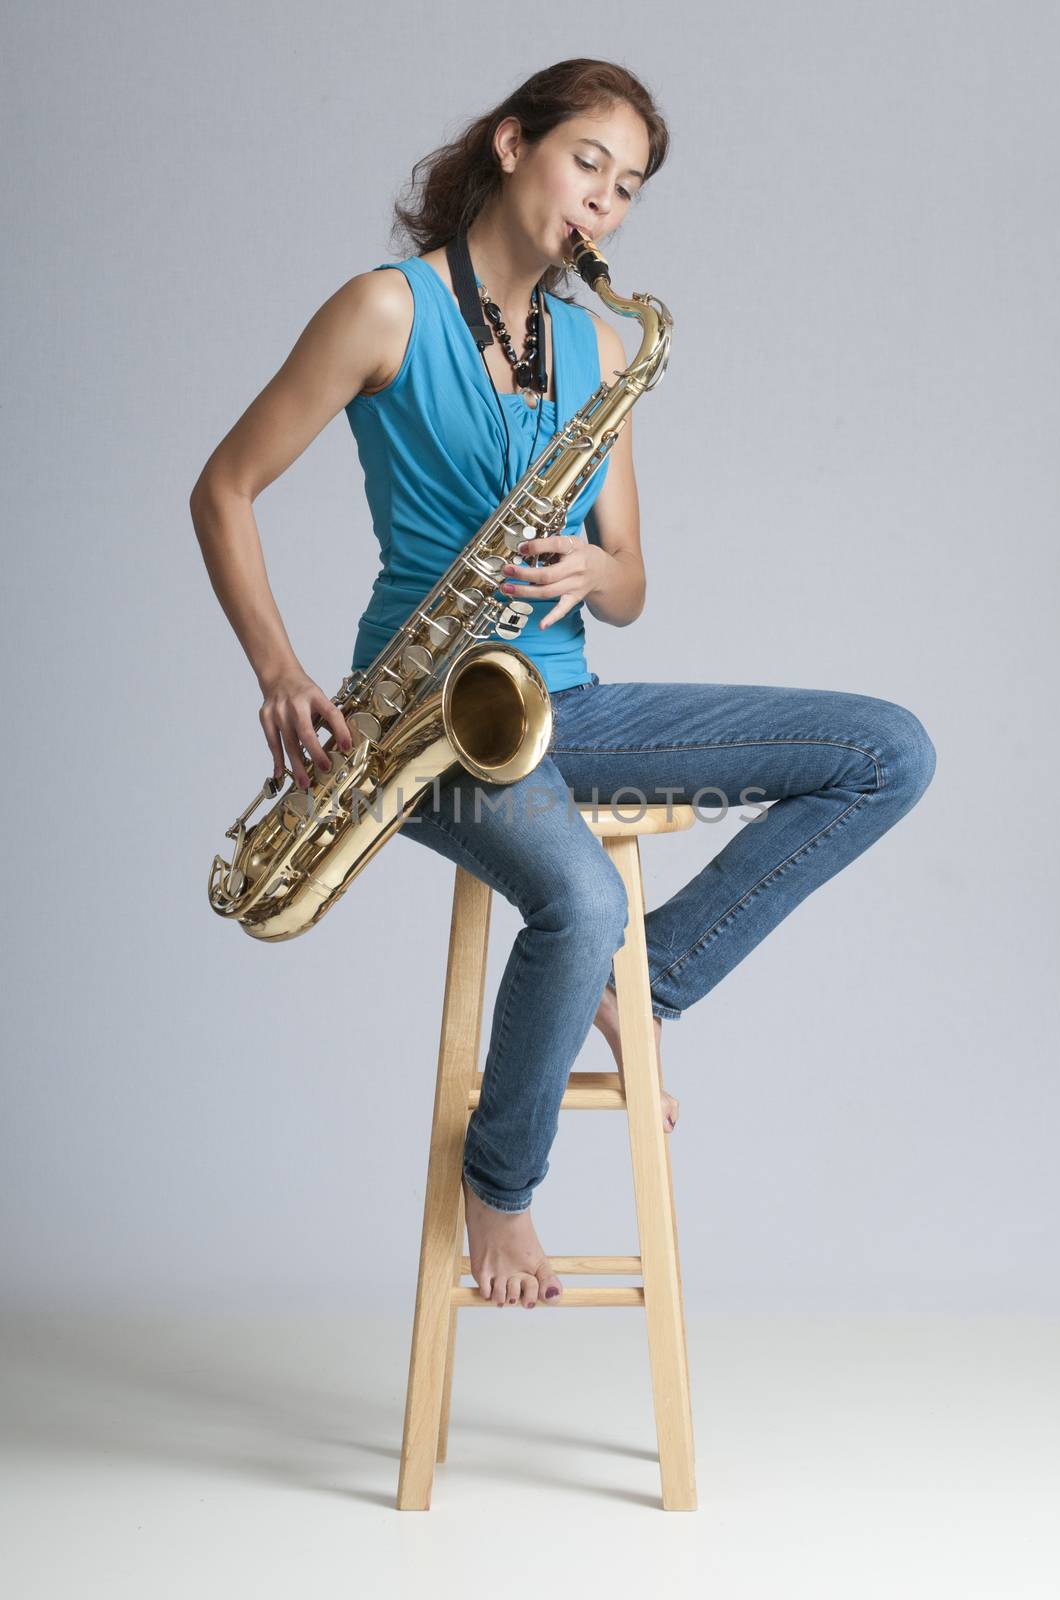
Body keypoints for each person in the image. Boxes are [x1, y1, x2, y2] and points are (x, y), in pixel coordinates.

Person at [190, 59, 937, 1315]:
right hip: (421, 727)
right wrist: (278, 668)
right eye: (587, 161)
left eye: (628, 187)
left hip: (564, 707)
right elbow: (222, 488)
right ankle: (502, 1178)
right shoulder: (386, 309)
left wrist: (600, 565)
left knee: (887, 751)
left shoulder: (598, 346)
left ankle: (629, 988)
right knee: (578, 896)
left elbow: (633, 582)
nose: (603, 202)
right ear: (509, 144)